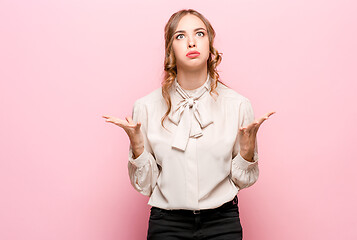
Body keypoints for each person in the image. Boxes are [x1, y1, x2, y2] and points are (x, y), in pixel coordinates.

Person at [103, 8, 275, 240]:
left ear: (210, 45)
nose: (192, 42)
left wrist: (246, 154)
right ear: (170, 50)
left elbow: (242, 181)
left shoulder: (238, 105)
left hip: (222, 223)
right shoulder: (146, 107)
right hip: (167, 225)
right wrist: (138, 149)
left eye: (200, 34)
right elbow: (146, 186)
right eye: (180, 36)